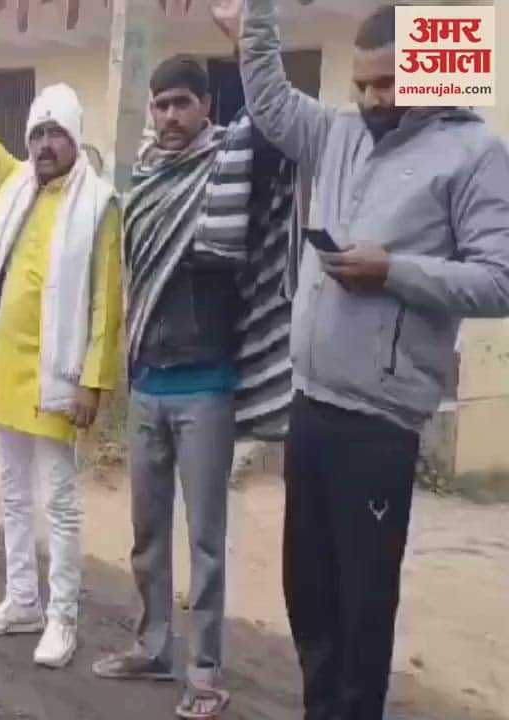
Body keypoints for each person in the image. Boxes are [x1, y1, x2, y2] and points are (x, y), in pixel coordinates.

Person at [228, 0, 509, 717]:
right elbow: (269, 102)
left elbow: (499, 279)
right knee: (309, 594)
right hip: (312, 406)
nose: (374, 100)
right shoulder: (341, 134)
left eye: (389, 84)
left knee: (361, 610)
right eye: (363, 85)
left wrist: (395, 270)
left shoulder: (474, 153)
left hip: (379, 424)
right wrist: (258, 20)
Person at [90, 47, 299, 718]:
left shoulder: (228, 170)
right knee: (147, 532)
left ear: (207, 106)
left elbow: (269, 127)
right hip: (150, 384)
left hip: (208, 387)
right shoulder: (146, 182)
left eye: (182, 101)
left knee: (206, 541)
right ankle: (153, 648)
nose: (170, 114)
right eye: (161, 104)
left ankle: (206, 673)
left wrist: (252, 40)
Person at [0, 23, 123, 668]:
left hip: (57, 377)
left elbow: (105, 304)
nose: (41, 144)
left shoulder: (98, 205)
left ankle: (62, 616)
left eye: (53, 133)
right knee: (9, 492)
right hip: (5, 372)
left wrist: (94, 382)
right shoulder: (14, 184)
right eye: (35, 133)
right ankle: (21, 600)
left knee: (57, 503)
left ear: (74, 138)